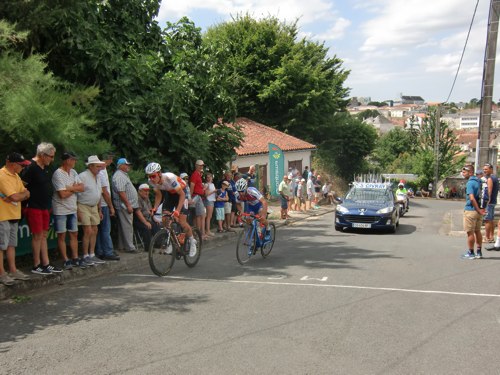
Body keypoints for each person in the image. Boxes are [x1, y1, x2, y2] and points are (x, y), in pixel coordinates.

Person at [21, 142, 63, 274]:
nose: (52, 159)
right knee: (37, 235)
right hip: (34, 206)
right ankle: (36, 264)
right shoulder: (30, 167)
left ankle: (46, 263)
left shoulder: (44, 167)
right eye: (50, 156)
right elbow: (22, 185)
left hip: (44, 206)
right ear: (42, 155)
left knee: (44, 235)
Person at [145, 162, 198, 257]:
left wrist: (177, 211)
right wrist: (155, 208)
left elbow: (181, 195)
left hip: (181, 193)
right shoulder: (151, 181)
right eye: (149, 176)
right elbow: (158, 195)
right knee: (165, 219)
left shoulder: (170, 178)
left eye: (153, 176)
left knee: (182, 221)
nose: (151, 179)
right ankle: (170, 242)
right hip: (170, 194)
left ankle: (192, 241)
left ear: (159, 173)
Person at [0, 153, 32, 285]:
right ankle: (2, 274)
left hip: (13, 214)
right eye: (21, 165)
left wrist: (20, 195)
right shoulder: (2, 175)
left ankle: (13, 270)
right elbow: (14, 197)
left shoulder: (15, 176)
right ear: (12, 164)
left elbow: (27, 193)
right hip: (3, 215)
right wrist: (20, 195)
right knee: (1, 246)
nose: (23, 167)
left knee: (11, 244)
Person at [52, 152, 86, 268]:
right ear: (67, 160)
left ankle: (75, 257)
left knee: (74, 234)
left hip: (72, 208)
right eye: (73, 160)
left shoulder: (74, 172)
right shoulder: (58, 174)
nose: (75, 162)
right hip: (61, 209)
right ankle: (65, 259)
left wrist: (70, 188)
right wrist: (75, 189)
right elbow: (62, 194)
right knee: (62, 235)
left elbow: (82, 187)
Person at [77, 155, 106, 267]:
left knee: (95, 229)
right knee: (87, 230)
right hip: (83, 205)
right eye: (97, 166)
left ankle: (92, 254)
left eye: (100, 166)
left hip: (94, 206)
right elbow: (77, 194)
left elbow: (98, 194)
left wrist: (99, 210)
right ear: (91, 166)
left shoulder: (98, 177)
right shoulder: (82, 176)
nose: (99, 168)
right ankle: (85, 255)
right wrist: (77, 210)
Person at [95, 153, 120, 261]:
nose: (111, 161)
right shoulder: (100, 171)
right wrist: (111, 206)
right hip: (103, 204)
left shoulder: (102, 170)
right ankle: (107, 251)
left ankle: (101, 251)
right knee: (105, 229)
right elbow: (104, 192)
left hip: (102, 203)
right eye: (111, 158)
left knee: (100, 230)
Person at [112, 158, 139, 253]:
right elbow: (121, 191)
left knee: (124, 226)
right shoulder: (119, 176)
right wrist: (128, 205)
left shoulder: (123, 175)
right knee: (127, 226)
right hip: (123, 205)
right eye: (126, 164)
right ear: (121, 166)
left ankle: (122, 246)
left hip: (125, 205)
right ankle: (130, 247)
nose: (128, 166)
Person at [461, 165, 485, 259]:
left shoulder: (470, 183)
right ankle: (479, 252)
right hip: (479, 211)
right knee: (478, 231)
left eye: (464, 172)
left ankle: (471, 252)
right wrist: (480, 209)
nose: (463, 174)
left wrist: (477, 209)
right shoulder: (479, 181)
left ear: (470, 172)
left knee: (470, 232)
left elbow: (471, 198)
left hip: (471, 210)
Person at [134, 183, 157, 251]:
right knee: (147, 227)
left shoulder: (146, 198)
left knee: (156, 224)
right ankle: (148, 247)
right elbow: (138, 212)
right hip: (138, 219)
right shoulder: (138, 198)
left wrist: (154, 218)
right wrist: (146, 222)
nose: (147, 192)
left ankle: (158, 243)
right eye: (145, 190)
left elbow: (150, 211)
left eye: (148, 191)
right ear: (140, 191)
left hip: (147, 218)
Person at [189, 159, 207, 240]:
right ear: (196, 165)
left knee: (199, 215)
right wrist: (190, 197)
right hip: (196, 196)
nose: (201, 167)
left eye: (202, 165)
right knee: (199, 215)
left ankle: (198, 234)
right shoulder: (195, 175)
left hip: (198, 196)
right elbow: (192, 186)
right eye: (200, 165)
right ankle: (198, 234)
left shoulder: (198, 174)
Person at [483, 163, 498, 243]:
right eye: (484, 169)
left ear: (491, 169)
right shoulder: (495, 178)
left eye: (486, 169)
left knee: (487, 220)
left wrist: (486, 202)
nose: (484, 171)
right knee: (491, 219)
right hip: (493, 201)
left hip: (489, 202)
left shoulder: (490, 179)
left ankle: (487, 237)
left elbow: (489, 191)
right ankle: (491, 237)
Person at [203, 172, 216, 236]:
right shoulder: (206, 184)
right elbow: (206, 194)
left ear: (212, 177)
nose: (208, 178)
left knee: (209, 216)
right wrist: (214, 191)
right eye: (207, 177)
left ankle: (207, 230)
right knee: (208, 216)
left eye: (209, 177)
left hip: (212, 200)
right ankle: (207, 230)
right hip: (208, 200)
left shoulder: (212, 184)